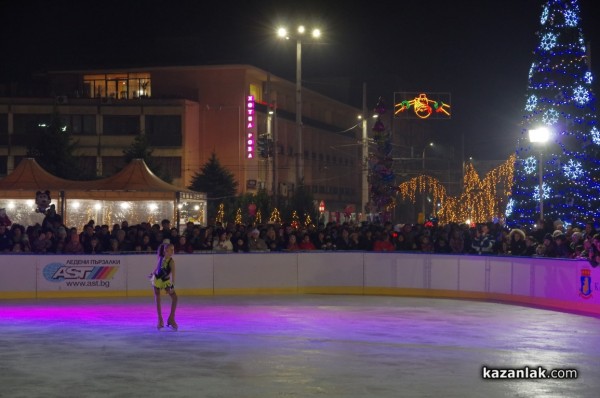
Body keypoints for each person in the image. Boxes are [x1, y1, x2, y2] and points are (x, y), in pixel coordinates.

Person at [150, 242, 178, 330]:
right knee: (157, 296)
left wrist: (172, 287)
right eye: (171, 250)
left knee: (175, 297)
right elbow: (157, 268)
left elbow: (173, 276)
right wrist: (152, 274)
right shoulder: (161, 258)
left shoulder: (171, 261)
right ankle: (160, 319)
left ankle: (171, 318)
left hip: (165, 281)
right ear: (166, 250)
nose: (173, 251)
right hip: (157, 279)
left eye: (173, 250)